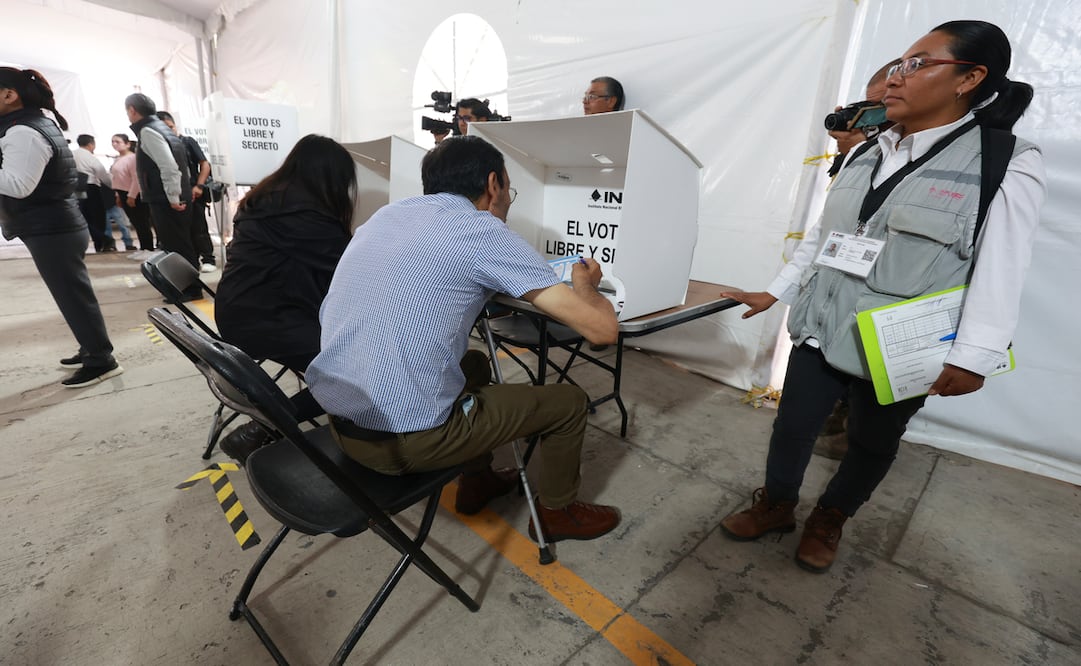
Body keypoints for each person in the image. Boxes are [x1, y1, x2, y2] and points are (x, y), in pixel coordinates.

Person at [719, 20, 1045, 573]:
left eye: (917, 64)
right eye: (897, 64)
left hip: (899, 345)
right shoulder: (866, 150)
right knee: (792, 427)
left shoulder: (1005, 161)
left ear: (970, 77)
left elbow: (1003, 266)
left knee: (871, 443)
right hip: (822, 324)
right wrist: (775, 293)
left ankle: (831, 518)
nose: (895, 78)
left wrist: (972, 356)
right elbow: (826, 239)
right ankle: (776, 504)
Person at [306, 135, 623, 542]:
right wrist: (587, 286)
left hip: (343, 424)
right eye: (509, 187)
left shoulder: (385, 217)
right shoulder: (481, 230)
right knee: (568, 403)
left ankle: (478, 481)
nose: (508, 198)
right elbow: (602, 331)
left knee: (473, 364)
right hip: (403, 445)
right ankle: (556, 513)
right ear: (493, 184)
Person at [213, 135, 356, 462]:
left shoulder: (267, 199)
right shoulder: (304, 212)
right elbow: (350, 265)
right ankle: (264, 427)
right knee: (360, 368)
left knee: (354, 352)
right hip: (267, 320)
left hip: (239, 311)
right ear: (330, 178)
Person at [0, 67, 123, 387]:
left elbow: (18, 185)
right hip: (55, 226)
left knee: (73, 297)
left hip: (52, 229)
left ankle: (101, 359)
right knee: (73, 295)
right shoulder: (31, 124)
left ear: (9, 95)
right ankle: (90, 347)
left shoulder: (22, 131)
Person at [124, 93, 200, 300]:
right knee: (181, 243)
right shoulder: (163, 128)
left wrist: (174, 198)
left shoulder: (149, 131)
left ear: (132, 110)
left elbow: (169, 167)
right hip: (173, 196)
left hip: (167, 200)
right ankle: (187, 288)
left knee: (177, 246)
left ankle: (189, 289)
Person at [157, 111, 215, 273]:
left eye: (171, 127)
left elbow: (204, 164)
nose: (169, 131)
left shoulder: (187, 142)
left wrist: (199, 186)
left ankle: (208, 257)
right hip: (173, 195)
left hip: (193, 191)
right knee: (182, 231)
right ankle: (191, 261)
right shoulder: (160, 146)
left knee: (199, 227)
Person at [110, 133, 154, 252]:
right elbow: (117, 178)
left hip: (134, 193)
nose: (114, 144)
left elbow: (136, 178)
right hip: (123, 192)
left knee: (142, 222)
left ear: (127, 144)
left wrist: (132, 195)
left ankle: (148, 248)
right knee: (136, 222)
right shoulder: (117, 159)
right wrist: (118, 195)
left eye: (117, 141)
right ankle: (143, 247)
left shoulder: (133, 158)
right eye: (113, 142)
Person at [72, 134, 113, 251]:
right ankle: (104, 240)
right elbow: (102, 174)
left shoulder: (72, 154)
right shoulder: (90, 157)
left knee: (85, 217)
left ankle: (99, 243)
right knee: (97, 217)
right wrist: (112, 186)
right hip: (91, 188)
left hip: (76, 189)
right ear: (91, 144)